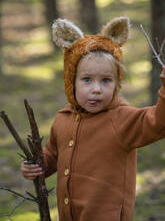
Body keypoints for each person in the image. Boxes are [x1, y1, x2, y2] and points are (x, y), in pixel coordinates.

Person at [21, 17, 165, 221]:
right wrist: (35, 166)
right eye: (87, 80)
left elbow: (158, 121)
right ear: (72, 81)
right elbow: (52, 157)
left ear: (117, 84)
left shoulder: (122, 119)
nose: (96, 89)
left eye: (106, 80)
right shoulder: (63, 119)